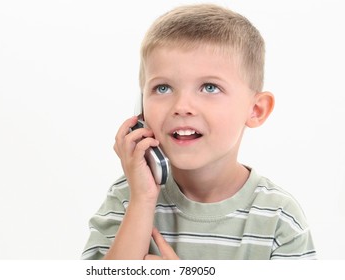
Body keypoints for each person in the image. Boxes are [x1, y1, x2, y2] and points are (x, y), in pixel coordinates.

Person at [81, 3, 316, 260]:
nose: (182, 107)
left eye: (209, 87)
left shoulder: (278, 218)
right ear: (141, 110)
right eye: (162, 88)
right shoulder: (128, 197)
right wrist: (143, 200)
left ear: (256, 110)